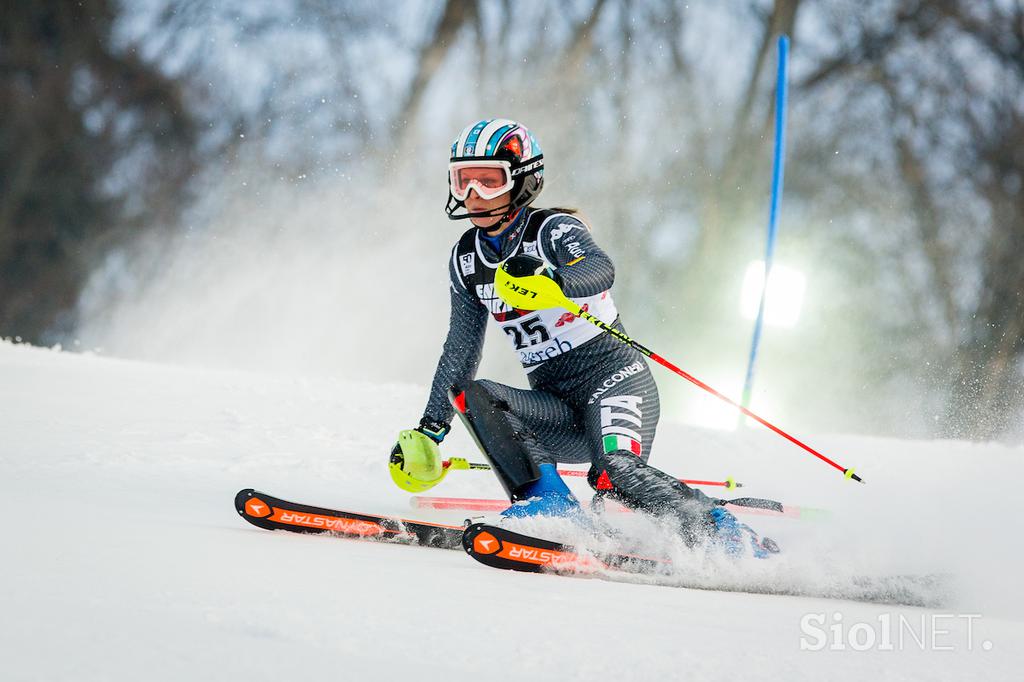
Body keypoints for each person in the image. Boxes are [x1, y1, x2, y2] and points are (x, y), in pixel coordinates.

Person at [390, 118, 774, 556]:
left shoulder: (553, 230)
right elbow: (460, 348)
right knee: (475, 394)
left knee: (613, 471)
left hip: (614, 382)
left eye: (490, 181)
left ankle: (724, 532)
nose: (474, 195)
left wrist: (555, 282)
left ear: (521, 182)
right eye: (464, 181)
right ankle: (549, 503)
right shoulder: (465, 258)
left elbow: (599, 268)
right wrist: (430, 429)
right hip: (557, 408)